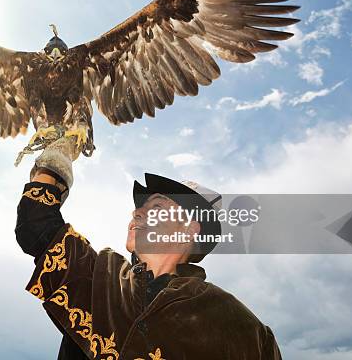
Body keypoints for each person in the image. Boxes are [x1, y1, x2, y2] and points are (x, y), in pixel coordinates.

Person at [15, 136, 282, 359]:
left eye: (156, 207)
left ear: (191, 227)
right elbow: (35, 225)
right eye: (138, 208)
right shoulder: (103, 278)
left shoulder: (244, 329)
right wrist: (54, 161)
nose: (137, 214)